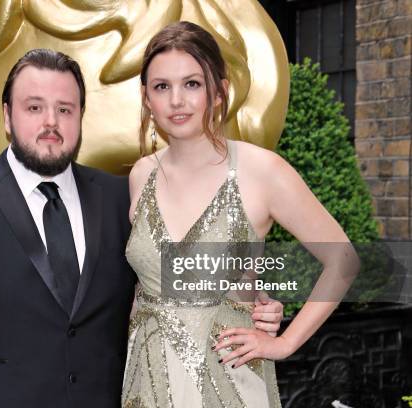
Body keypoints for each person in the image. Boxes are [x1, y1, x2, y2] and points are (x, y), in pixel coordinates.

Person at [0, 48, 283, 408]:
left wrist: (250, 296)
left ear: (80, 116)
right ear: (7, 116)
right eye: (34, 107)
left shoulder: (120, 197)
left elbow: (168, 277)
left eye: (64, 109)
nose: (50, 122)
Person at [122, 22, 358, 408]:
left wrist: (283, 343)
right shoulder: (141, 175)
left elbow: (343, 261)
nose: (176, 100)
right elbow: (146, 286)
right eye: (162, 86)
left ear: (219, 91)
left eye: (192, 84)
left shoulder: (261, 171)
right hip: (147, 383)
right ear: (147, 98)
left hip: (229, 381)